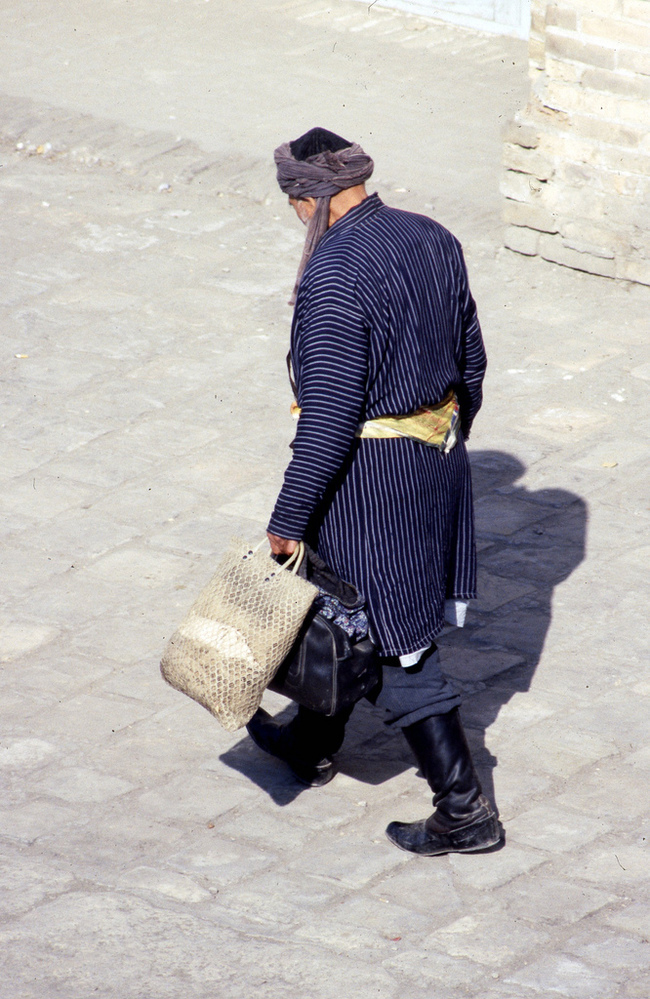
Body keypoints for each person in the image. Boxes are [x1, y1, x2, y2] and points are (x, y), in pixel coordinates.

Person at [246, 127, 500, 856]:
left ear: (306, 198)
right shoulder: (432, 236)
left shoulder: (333, 279)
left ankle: (464, 809)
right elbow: (471, 362)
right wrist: (441, 443)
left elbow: (326, 421)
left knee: (394, 640)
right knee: (341, 609)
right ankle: (309, 739)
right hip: (436, 460)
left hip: (372, 486)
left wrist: (287, 519)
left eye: (293, 202)